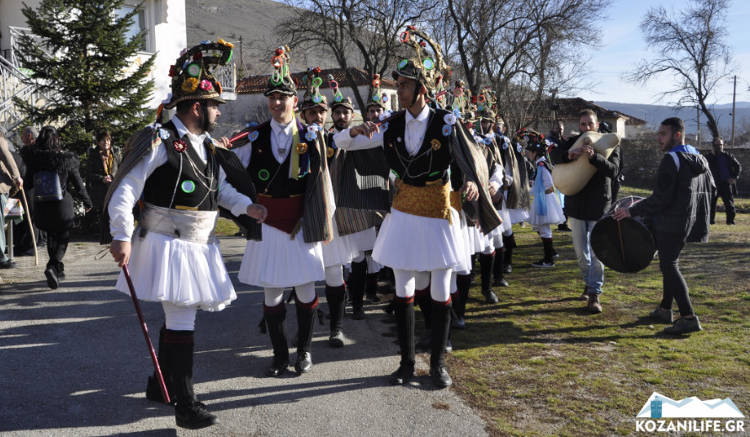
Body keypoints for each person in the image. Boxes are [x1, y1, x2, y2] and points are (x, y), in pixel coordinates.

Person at [106, 40, 263, 429]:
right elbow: (126, 189)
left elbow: (219, 192)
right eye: (214, 106)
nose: (218, 112)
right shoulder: (160, 141)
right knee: (182, 318)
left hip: (197, 245)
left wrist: (247, 207)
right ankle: (186, 403)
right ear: (196, 107)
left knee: (177, 315)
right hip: (166, 245)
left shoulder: (206, 147)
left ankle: (160, 386)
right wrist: (121, 234)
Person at [333, 27, 501, 388]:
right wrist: (353, 132)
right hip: (405, 211)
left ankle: (437, 364)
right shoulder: (391, 124)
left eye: (405, 86)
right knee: (404, 286)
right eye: (399, 85)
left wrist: (471, 182)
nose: (400, 91)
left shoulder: (446, 122)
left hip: (439, 212)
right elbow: (342, 142)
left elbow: (471, 159)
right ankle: (407, 363)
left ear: (421, 89)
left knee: (440, 286)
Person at [226, 47, 334, 377]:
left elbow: (323, 181)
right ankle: (278, 355)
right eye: (272, 98)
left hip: (301, 223)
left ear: (294, 101)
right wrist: (243, 206)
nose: (276, 103)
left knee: (305, 289)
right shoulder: (253, 137)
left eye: (282, 98)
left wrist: (324, 222)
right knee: (272, 292)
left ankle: (304, 352)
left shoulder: (311, 135)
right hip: (268, 223)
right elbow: (229, 172)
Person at [613, 117, 712, 335]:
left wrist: (631, 211)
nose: (658, 138)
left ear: (677, 134)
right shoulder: (696, 156)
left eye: (663, 134)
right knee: (669, 264)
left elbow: (661, 198)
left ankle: (688, 317)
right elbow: (706, 190)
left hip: (670, 222)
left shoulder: (672, 159)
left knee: (669, 266)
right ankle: (665, 309)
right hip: (686, 221)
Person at [549, 109, 620, 314]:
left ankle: (594, 293)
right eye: (583, 124)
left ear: (597, 125)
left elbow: (614, 171)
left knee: (597, 253)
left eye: (590, 123)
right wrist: (569, 154)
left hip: (599, 206)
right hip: (577, 207)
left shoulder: (609, 144)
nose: (586, 127)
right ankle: (588, 284)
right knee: (581, 254)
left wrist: (595, 157)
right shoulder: (574, 142)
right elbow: (554, 155)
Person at [21, 126, 92, 287]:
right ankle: (52, 265)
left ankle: (57, 270)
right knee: (63, 236)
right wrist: (87, 201)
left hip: (42, 205)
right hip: (62, 206)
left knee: (51, 236)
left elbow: (28, 183)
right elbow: (78, 184)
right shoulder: (66, 159)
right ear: (56, 139)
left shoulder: (34, 159)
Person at [522, 130, 564, 267]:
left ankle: (548, 260)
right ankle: (551, 253)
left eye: (529, 152)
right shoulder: (542, 164)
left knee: (544, 229)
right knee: (541, 227)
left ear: (535, 152)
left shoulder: (541, 166)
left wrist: (531, 191)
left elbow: (549, 185)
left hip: (544, 200)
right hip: (544, 198)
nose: (528, 154)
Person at [87, 129, 120, 237]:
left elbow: (121, 169)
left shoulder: (115, 153)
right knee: (104, 215)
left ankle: (116, 236)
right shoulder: (93, 155)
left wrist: (113, 176)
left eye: (108, 140)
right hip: (101, 191)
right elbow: (89, 174)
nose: (106, 142)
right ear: (98, 142)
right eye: (103, 140)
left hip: (114, 189)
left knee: (116, 213)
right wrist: (102, 178)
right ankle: (106, 238)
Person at [1, 133, 24, 268]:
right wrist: (17, 177)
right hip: (2, 189)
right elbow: (6, 156)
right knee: (2, 223)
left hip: (8, 192)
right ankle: (1, 256)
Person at [705, 137, 741, 225]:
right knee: (711, 204)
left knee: (729, 204)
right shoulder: (708, 157)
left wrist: (734, 177)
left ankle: (730, 221)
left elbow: (738, 166)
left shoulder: (727, 156)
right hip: (713, 184)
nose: (719, 147)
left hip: (726, 183)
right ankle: (710, 221)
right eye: (717, 145)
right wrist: (712, 154)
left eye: (721, 144)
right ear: (713, 146)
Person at [548, 120, 571, 232]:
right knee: (557, 200)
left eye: (561, 129)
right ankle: (559, 223)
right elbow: (553, 156)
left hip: (565, 173)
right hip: (554, 173)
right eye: (557, 129)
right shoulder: (549, 141)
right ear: (553, 129)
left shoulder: (564, 141)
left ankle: (563, 223)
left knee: (565, 200)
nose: (559, 131)